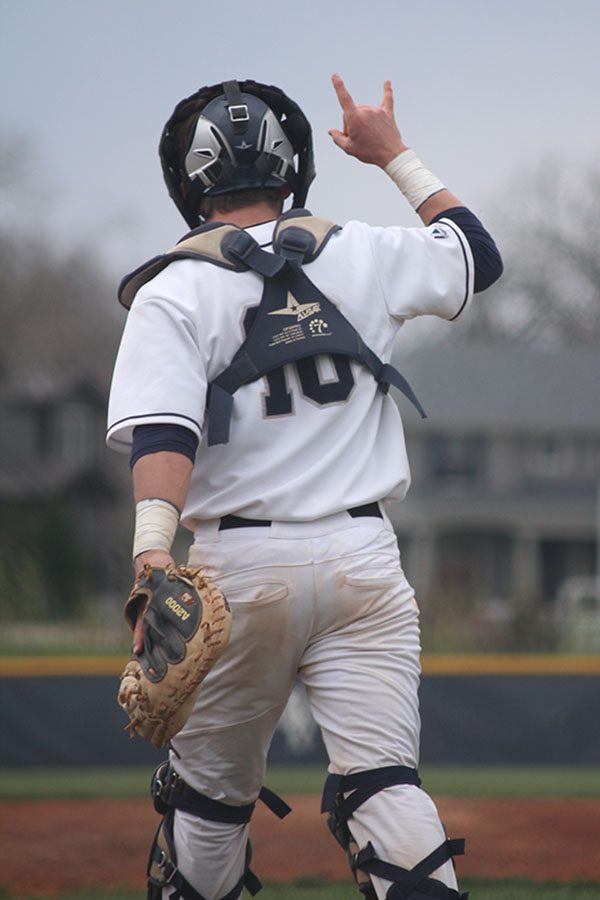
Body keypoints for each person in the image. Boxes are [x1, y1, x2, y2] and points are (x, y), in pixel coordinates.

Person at [107, 74, 502, 900]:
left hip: (240, 571)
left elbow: (165, 434)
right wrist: (394, 156)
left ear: (190, 178)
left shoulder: (174, 287)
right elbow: (476, 257)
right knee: (386, 791)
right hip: (364, 560)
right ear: (294, 168)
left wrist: (151, 560)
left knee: (209, 811)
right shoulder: (361, 249)